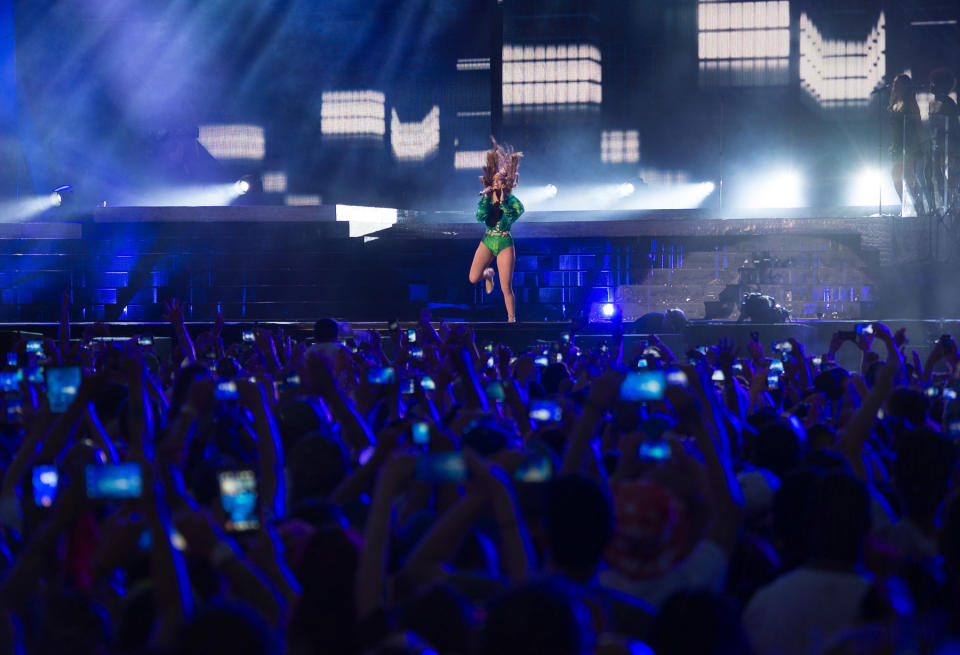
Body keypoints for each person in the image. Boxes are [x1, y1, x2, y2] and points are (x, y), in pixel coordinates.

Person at [468, 138, 524, 323]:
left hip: (504, 242)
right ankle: (488, 274)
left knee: (506, 287)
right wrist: (486, 198)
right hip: (488, 240)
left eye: (500, 180)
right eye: (495, 180)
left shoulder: (511, 200)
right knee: (473, 277)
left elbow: (516, 214)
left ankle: (511, 319)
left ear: (505, 182)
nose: (497, 182)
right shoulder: (487, 197)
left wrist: (503, 202)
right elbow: (479, 217)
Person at [887, 73, 924, 214]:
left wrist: (921, 143)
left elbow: (918, 124)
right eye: (894, 83)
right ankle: (906, 205)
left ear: (905, 86)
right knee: (895, 176)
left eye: (898, 83)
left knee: (909, 177)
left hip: (909, 144)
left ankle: (917, 206)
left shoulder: (910, 103)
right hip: (897, 145)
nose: (895, 86)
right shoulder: (894, 103)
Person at [925, 67, 960, 214]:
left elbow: (948, 125)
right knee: (935, 174)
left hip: (946, 146)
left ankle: (949, 204)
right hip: (940, 145)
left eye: (932, 82)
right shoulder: (943, 102)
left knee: (944, 174)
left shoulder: (944, 102)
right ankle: (943, 204)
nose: (930, 85)